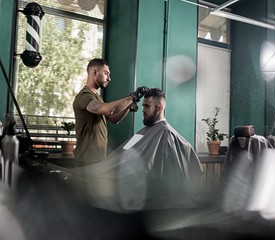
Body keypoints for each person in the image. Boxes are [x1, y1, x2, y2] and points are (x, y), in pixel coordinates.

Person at [71, 88, 203, 211]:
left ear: (160, 108)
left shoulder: (166, 134)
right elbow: (121, 154)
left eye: (147, 106)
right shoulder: (142, 133)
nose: (143, 110)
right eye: (143, 105)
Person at [73, 58, 148, 167]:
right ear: (95, 72)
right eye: (106, 73)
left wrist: (130, 104)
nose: (109, 78)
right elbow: (109, 109)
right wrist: (131, 97)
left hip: (98, 158)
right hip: (86, 160)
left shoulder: (97, 98)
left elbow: (114, 119)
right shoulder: (84, 96)